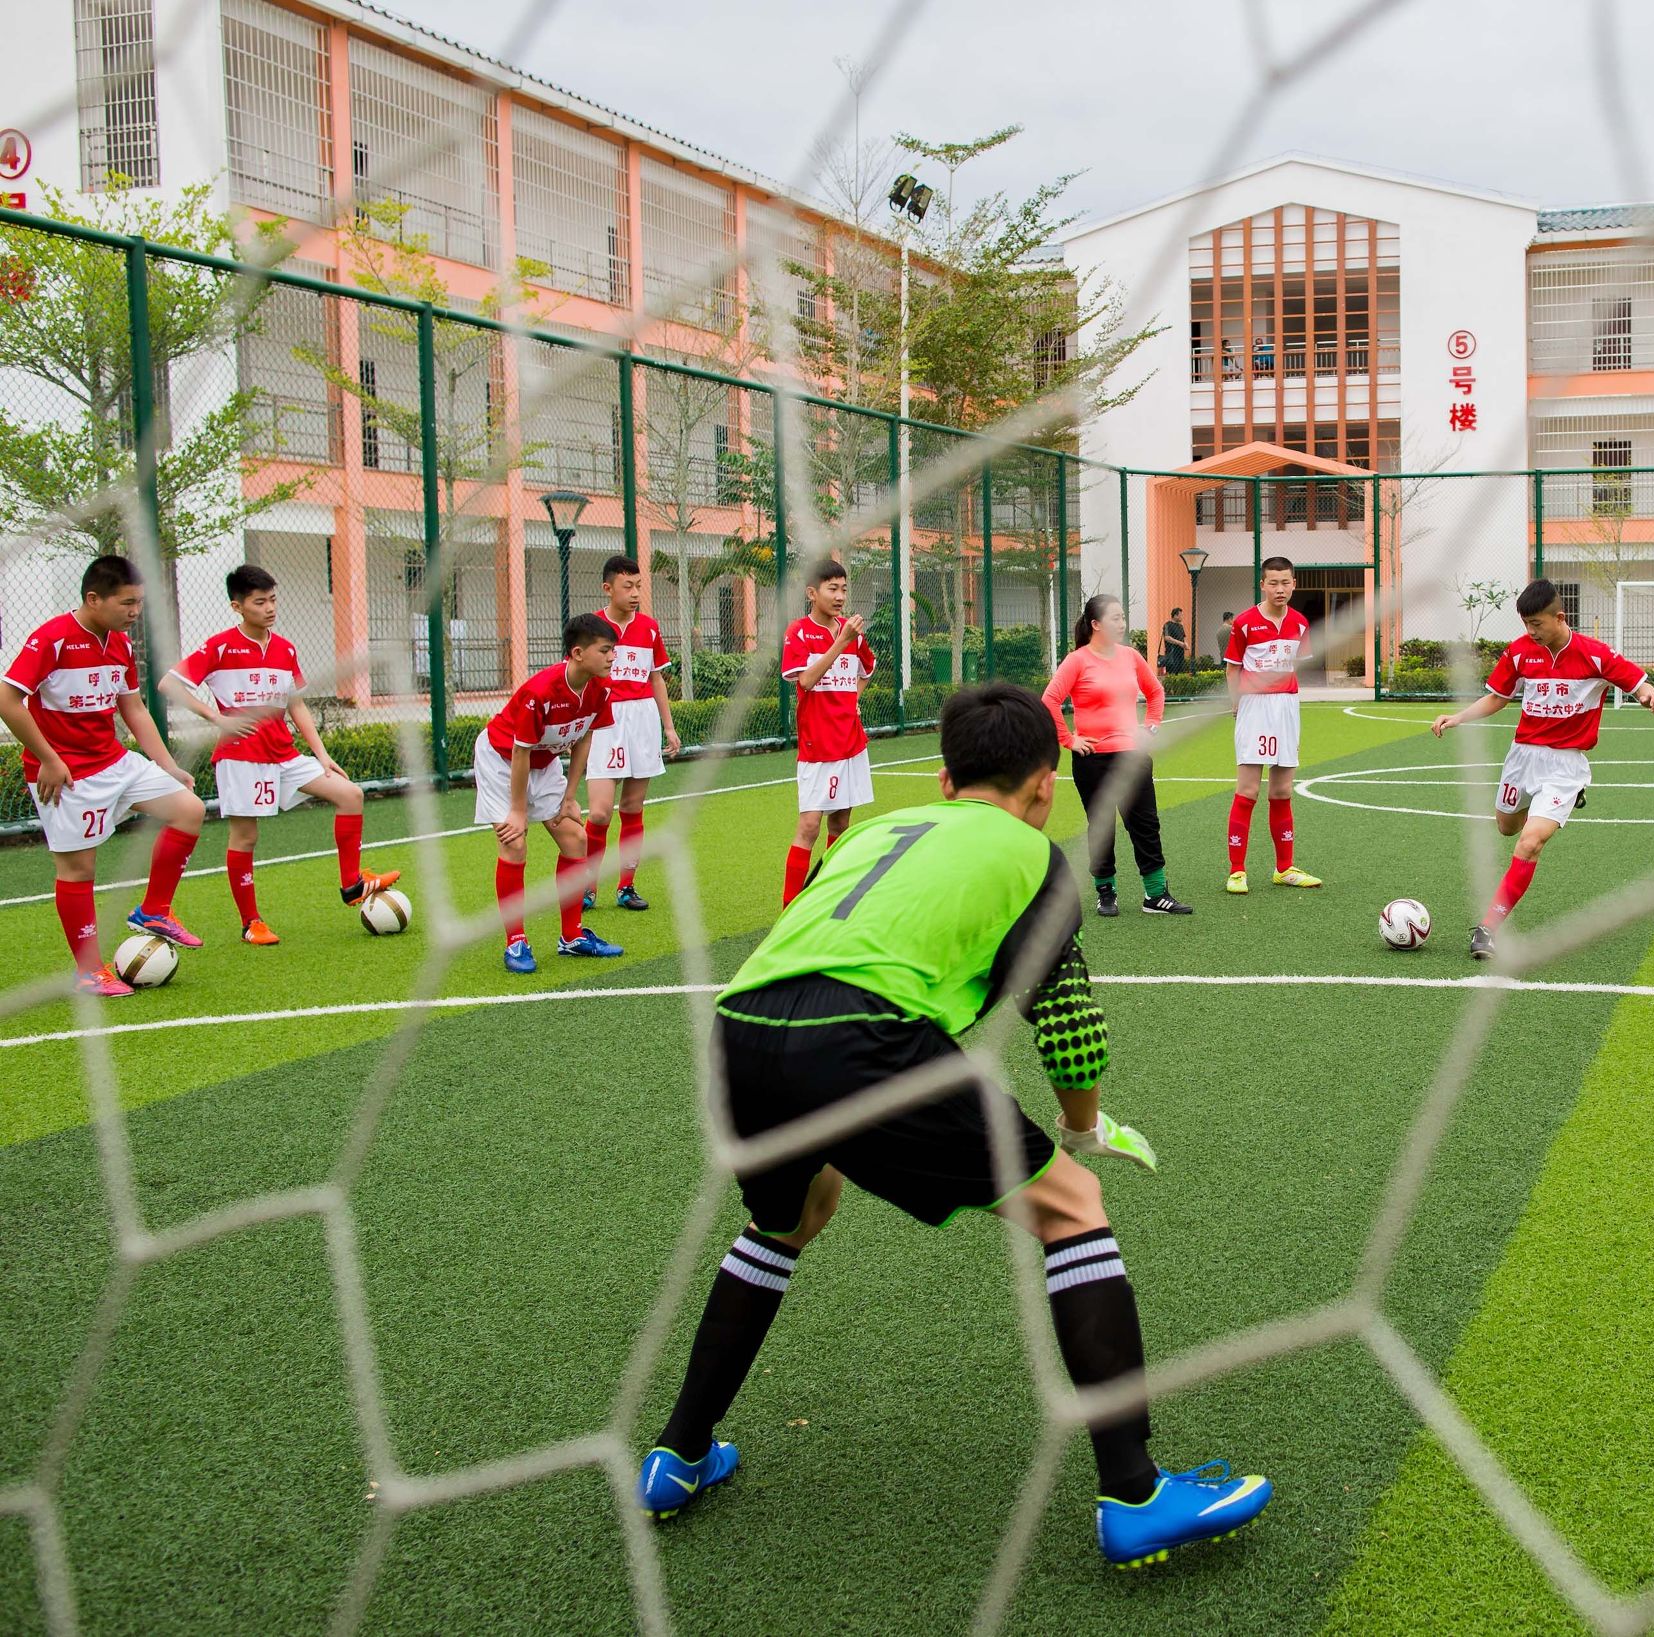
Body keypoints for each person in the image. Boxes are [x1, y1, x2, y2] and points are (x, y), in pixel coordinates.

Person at [636, 682, 1271, 1569]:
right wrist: (1080, 1127)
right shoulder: (1033, 854)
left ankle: (678, 1453)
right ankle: (1134, 1495)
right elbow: (1070, 1023)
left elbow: (812, 943)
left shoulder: (868, 831)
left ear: (943, 777)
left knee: (792, 1215)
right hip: (862, 1037)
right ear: (1045, 786)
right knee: (1072, 1206)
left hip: (741, 1030)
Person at [0, 554, 209, 996]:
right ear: (94, 599)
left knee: (189, 809)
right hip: (66, 775)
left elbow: (132, 708)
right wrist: (50, 758)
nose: (135, 613)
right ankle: (89, 971)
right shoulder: (52, 639)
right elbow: (7, 700)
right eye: (127, 603)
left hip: (114, 761)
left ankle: (154, 910)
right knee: (79, 870)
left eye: (139, 603)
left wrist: (166, 765)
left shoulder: (119, 643)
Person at [1430, 578, 1654, 960]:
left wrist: (1648, 695)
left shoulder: (1595, 655)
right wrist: (1458, 718)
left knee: (1530, 842)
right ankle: (1543, 807)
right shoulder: (1520, 653)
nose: (1530, 631)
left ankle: (1488, 929)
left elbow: (1636, 683)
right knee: (1507, 827)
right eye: (1525, 624)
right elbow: (1497, 698)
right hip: (1522, 757)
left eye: (1536, 623)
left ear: (1559, 617)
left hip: (1565, 766)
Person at [172, 563, 400, 944]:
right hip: (241, 756)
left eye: (273, 599)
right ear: (237, 606)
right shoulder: (219, 646)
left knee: (350, 794)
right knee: (245, 837)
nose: (269, 608)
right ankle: (251, 923)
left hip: (284, 753)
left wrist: (322, 754)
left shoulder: (284, 648)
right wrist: (216, 717)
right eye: (260, 602)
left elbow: (296, 705)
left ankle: (351, 884)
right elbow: (170, 684)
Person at [478, 614, 626, 974]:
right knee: (514, 843)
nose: (612, 658)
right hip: (502, 759)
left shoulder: (599, 690)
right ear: (577, 653)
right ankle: (515, 941)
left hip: (544, 763)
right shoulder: (540, 692)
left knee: (575, 837)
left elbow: (585, 738)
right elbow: (520, 752)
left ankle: (572, 937)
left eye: (613, 651)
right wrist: (517, 811)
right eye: (605, 651)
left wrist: (570, 796)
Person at [1044, 594, 1192, 918]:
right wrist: (1069, 739)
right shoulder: (1077, 660)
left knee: (1145, 824)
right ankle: (1105, 892)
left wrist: (1150, 728)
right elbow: (1049, 700)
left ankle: (1155, 895)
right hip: (1093, 759)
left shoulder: (1130, 657)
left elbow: (1155, 691)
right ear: (1095, 624)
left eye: (1123, 617)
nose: (1122, 623)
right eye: (1115, 618)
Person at [581, 555, 682, 914]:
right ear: (608, 589)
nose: (636, 592)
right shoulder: (592, 627)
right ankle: (586, 886)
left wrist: (668, 727)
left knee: (633, 808)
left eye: (639, 585)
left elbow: (656, 678)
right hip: (606, 722)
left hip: (642, 719)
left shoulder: (650, 628)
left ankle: (626, 886)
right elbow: (583, 678)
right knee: (598, 813)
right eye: (628, 586)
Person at [781, 559, 877, 905]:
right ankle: (789, 910)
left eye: (844, 589)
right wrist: (841, 641)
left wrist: (853, 698)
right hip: (817, 745)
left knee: (840, 824)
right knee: (808, 826)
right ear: (812, 593)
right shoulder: (799, 632)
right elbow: (804, 680)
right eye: (832, 589)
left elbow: (868, 669)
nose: (839, 596)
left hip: (851, 743)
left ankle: (825, 901)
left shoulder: (853, 634)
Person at [1223, 560, 1320, 893]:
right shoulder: (1245, 623)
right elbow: (1233, 670)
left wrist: (1290, 716)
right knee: (1248, 789)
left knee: (1281, 791)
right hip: (1254, 707)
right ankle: (1237, 871)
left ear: (1294, 584)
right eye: (1274, 583)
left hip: (1287, 707)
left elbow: (1296, 671)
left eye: (1286, 583)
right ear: (1262, 584)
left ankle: (1285, 868)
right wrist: (1237, 703)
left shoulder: (1301, 624)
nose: (1280, 589)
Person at [1160, 608, 1187, 676]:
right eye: (1180, 615)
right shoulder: (1167, 625)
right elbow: (1167, 637)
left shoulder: (1180, 626)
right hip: (1172, 653)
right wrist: (1180, 643)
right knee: (1172, 673)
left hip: (1181, 653)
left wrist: (1185, 644)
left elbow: (1183, 637)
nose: (1182, 617)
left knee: (1181, 672)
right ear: (1175, 615)